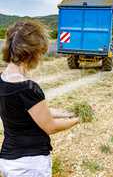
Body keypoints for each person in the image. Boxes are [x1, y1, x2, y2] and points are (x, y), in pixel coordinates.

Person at [0, 21, 79, 177]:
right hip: (30, 163)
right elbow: (50, 127)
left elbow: (31, 112)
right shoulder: (28, 88)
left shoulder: (3, 79)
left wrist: (66, 113)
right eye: (40, 53)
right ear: (31, 53)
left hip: (10, 159)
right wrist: (77, 120)